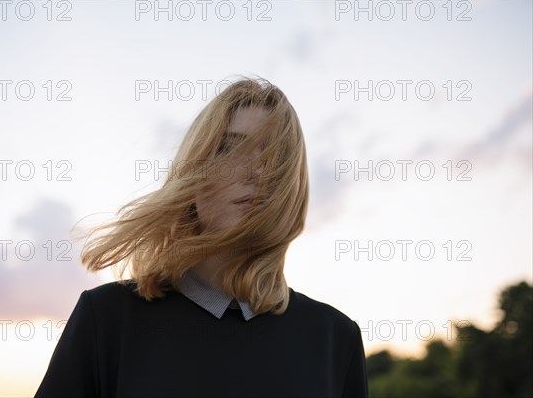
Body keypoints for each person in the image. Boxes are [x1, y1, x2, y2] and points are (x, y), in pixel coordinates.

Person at [34, 76, 369, 398]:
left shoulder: (336, 339)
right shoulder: (106, 319)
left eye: (274, 157)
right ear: (192, 173)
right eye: (230, 150)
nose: (257, 172)